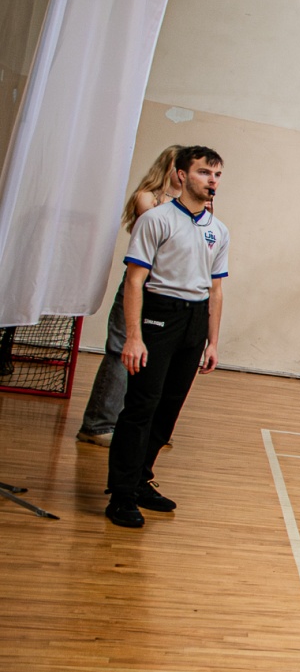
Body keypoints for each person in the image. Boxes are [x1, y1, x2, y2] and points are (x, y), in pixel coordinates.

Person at [105, 146, 228, 528]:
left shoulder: (218, 230)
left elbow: (216, 290)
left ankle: (141, 480)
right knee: (141, 406)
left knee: (169, 409)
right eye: (204, 172)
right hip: (160, 316)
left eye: (217, 174)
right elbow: (134, 281)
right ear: (181, 175)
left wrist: (212, 341)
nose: (212, 181)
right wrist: (134, 337)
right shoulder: (156, 220)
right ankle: (121, 495)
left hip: (194, 322)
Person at [79, 147, 184, 446]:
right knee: (120, 351)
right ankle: (97, 425)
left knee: (156, 358)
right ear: (170, 167)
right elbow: (165, 236)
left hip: (167, 288)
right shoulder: (147, 198)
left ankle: (138, 427)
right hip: (140, 283)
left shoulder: (186, 208)